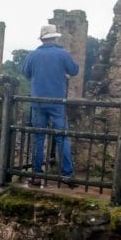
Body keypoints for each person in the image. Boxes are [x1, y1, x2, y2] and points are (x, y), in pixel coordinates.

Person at [21, 24, 80, 186]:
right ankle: (67, 175)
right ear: (55, 37)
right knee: (62, 137)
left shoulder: (33, 55)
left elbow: (25, 73)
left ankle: (36, 175)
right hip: (57, 102)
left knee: (38, 138)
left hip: (38, 101)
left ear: (42, 39)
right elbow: (74, 70)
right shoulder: (62, 54)